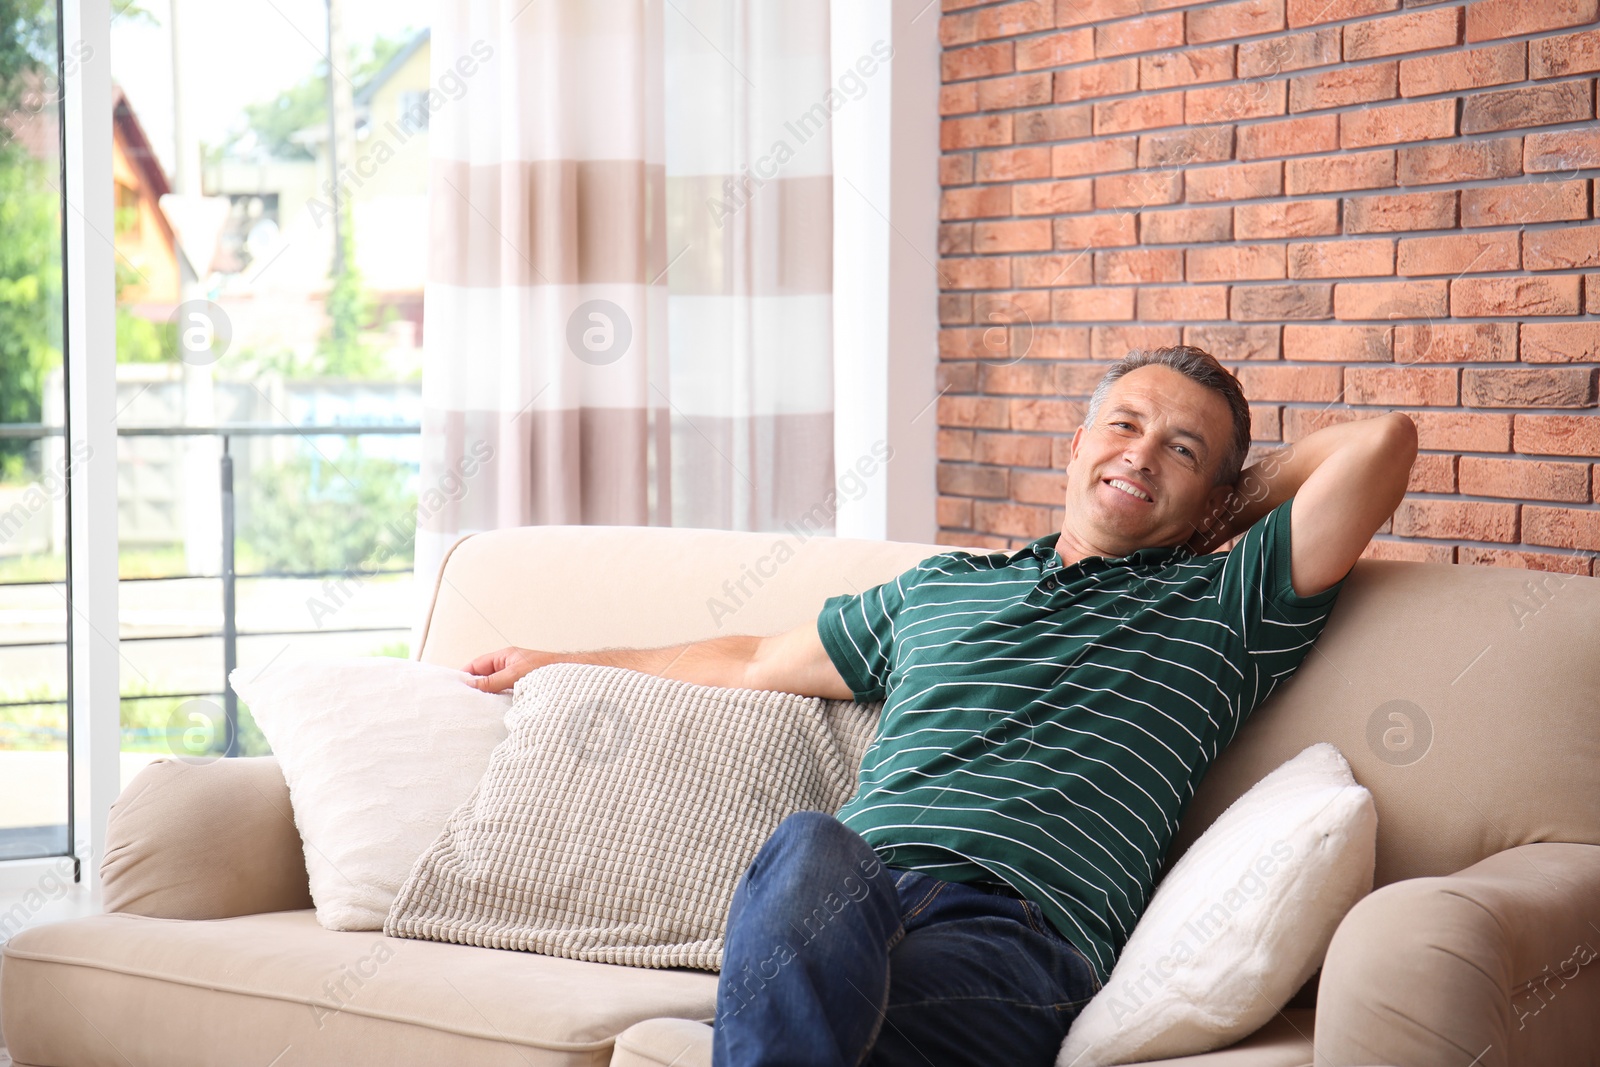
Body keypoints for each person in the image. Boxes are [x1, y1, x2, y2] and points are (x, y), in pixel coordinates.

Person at [466, 345, 1419, 1067]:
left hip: (1017, 942)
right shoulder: (943, 588)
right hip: (849, 899)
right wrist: (560, 660)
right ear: (1076, 442)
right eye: (1123, 426)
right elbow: (756, 659)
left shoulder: (1224, 605)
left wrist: (1225, 508)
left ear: (1218, 492)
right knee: (807, 845)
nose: (1140, 456)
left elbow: (1382, 445)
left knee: (810, 1020)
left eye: (1183, 449)